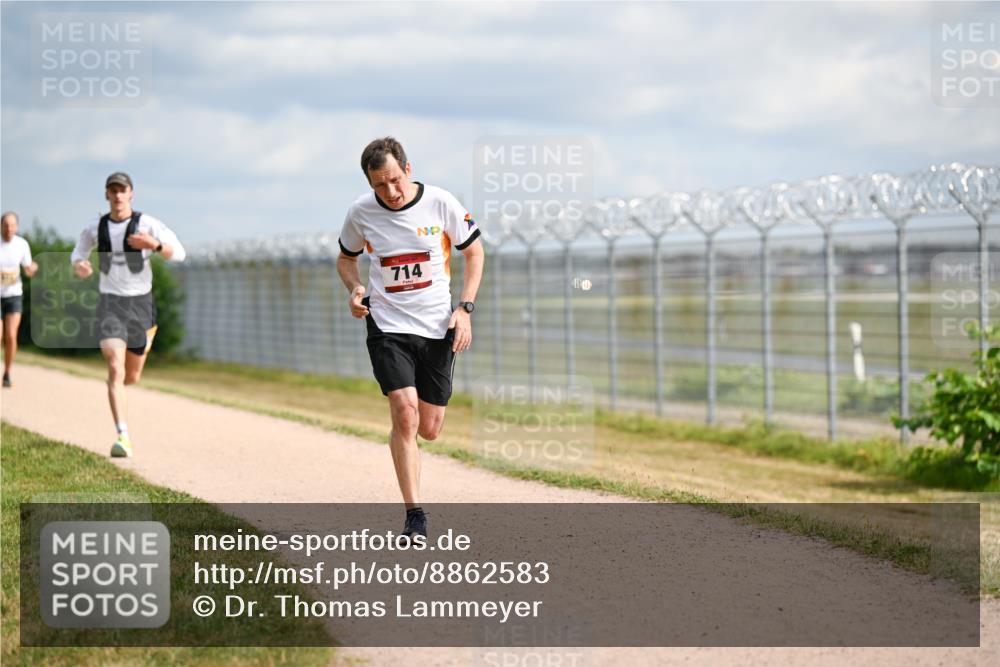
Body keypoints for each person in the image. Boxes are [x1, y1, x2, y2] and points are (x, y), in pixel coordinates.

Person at [337, 137, 484, 541]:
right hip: (387, 324)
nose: (390, 192)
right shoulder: (361, 213)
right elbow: (346, 258)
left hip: (437, 326)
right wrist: (354, 289)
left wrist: (465, 309)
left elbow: (475, 253)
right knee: (405, 412)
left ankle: (416, 450)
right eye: (379, 186)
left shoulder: (441, 203)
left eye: (395, 180)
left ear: (408, 168)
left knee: (430, 427)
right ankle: (414, 514)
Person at [71, 172, 186, 457]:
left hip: (141, 306)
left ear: (131, 194)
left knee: (131, 376)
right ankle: (123, 436)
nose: (118, 195)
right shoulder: (95, 228)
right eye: (113, 190)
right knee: (115, 369)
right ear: (107, 195)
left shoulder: (147, 224)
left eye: (122, 190)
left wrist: (155, 246)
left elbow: (180, 253)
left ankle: (122, 397)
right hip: (110, 304)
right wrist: (81, 266)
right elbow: (78, 254)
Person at [1, 211, 39, 388]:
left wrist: (32, 269)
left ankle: (7, 372)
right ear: (1, 226)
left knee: (10, 335)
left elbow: (28, 268)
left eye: (12, 225)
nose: (9, 228)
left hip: (14, 294)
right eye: (6, 225)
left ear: (16, 227)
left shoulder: (22, 245)